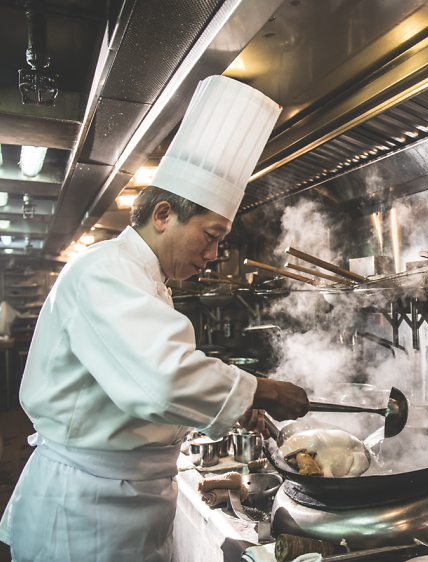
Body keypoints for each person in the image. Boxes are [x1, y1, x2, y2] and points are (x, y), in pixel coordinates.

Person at [0, 76, 309, 561]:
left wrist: (228, 408)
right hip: (85, 516)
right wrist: (261, 388)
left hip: (130, 503)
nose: (211, 254)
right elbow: (162, 381)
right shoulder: (105, 270)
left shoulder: (148, 281)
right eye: (209, 236)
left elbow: (143, 396)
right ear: (163, 214)